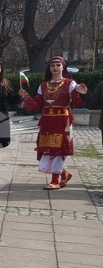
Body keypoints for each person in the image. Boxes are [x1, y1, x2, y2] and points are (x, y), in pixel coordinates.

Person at [19, 55, 88, 190]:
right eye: (52, 65)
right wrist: (26, 97)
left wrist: (80, 93)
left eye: (58, 65)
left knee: (58, 149)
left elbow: (77, 103)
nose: (55, 67)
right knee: (46, 149)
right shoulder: (43, 85)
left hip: (63, 120)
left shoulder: (70, 83)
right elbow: (37, 105)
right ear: (49, 68)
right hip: (47, 121)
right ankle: (64, 174)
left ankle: (55, 180)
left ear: (63, 67)